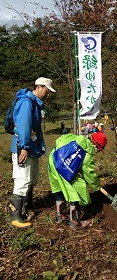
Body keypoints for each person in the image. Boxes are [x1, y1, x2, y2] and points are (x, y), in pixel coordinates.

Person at [9, 77, 56, 228]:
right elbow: (23, 125)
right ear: (39, 87)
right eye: (47, 91)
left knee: (31, 178)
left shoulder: (34, 102)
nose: (47, 94)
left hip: (32, 147)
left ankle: (26, 207)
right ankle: (15, 215)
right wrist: (24, 146)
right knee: (22, 179)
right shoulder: (26, 102)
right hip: (24, 147)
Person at [48, 132, 107, 229]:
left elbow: (59, 140)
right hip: (65, 169)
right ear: (96, 146)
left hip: (53, 159)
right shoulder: (87, 151)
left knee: (59, 189)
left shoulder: (75, 137)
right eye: (99, 150)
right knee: (77, 189)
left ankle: (61, 216)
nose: (97, 152)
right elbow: (88, 173)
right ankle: (75, 223)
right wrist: (96, 186)